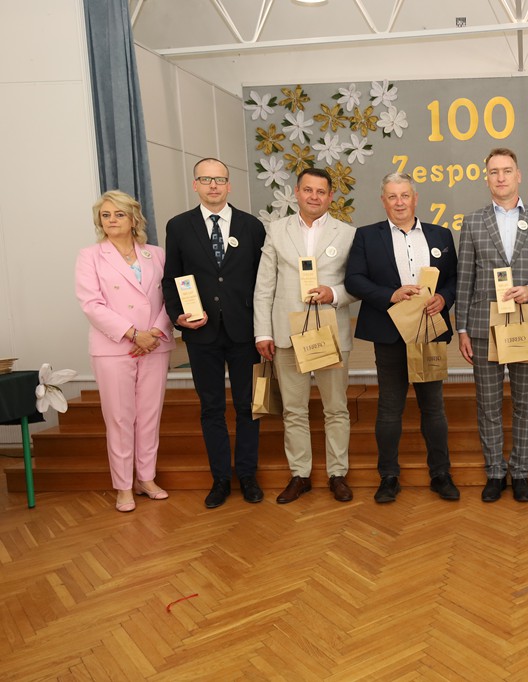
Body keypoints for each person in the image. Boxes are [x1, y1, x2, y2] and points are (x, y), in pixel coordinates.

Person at [346, 173, 460, 504]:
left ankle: (441, 474)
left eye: (405, 195)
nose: (399, 202)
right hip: (389, 331)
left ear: (415, 198)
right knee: (389, 407)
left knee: (433, 407)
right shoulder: (367, 236)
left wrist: (444, 299)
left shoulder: (440, 235)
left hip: (429, 332)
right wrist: (390, 295)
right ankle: (388, 476)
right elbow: (354, 280)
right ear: (383, 201)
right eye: (392, 196)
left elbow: (454, 278)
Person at [162, 158, 266, 509]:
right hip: (201, 333)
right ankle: (220, 478)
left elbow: (263, 281)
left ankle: (247, 475)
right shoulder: (179, 226)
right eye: (206, 179)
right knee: (211, 408)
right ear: (195, 184)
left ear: (229, 185)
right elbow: (171, 278)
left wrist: (264, 329)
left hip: (244, 332)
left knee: (248, 407)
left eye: (220, 180)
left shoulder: (252, 226)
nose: (213, 186)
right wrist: (177, 317)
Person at [455, 148, 528, 503]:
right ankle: (496, 472)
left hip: (526, 323)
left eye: (507, 170)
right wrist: (462, 329)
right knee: (488, 404)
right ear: (487, 178)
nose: (501, 177)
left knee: (527, 402)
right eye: (494, 171)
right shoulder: (473, 222)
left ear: (518, 175)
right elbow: (464, 278)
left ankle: (521, 472)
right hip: (484, 327)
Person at [253, 168, 357, 504]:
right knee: (294, 410)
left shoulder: (348, 234)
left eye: (321, 191)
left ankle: (337, 474)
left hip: (329, 332)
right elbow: (264, 286)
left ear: (331, 196)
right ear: (297, 192)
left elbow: (357, 284)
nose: (314, 197)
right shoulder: (276, 230)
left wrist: (334, 293)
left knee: (336, 408)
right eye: (308, 190)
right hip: (286, 333)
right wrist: (262, 332)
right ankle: (300, 474)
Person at [75, 190, 174, 512]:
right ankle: (123, 486)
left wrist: (154, 332)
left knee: (149, 416)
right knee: (119, 419)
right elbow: (91, 304)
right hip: (114, 347)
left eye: (119, 214)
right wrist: (133, 335)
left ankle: (146, 479)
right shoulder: (90, 256)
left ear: (134, 219)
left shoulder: (156, 254)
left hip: (154, 345)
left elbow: (171, 296)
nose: (111, 220)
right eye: (105, 215)